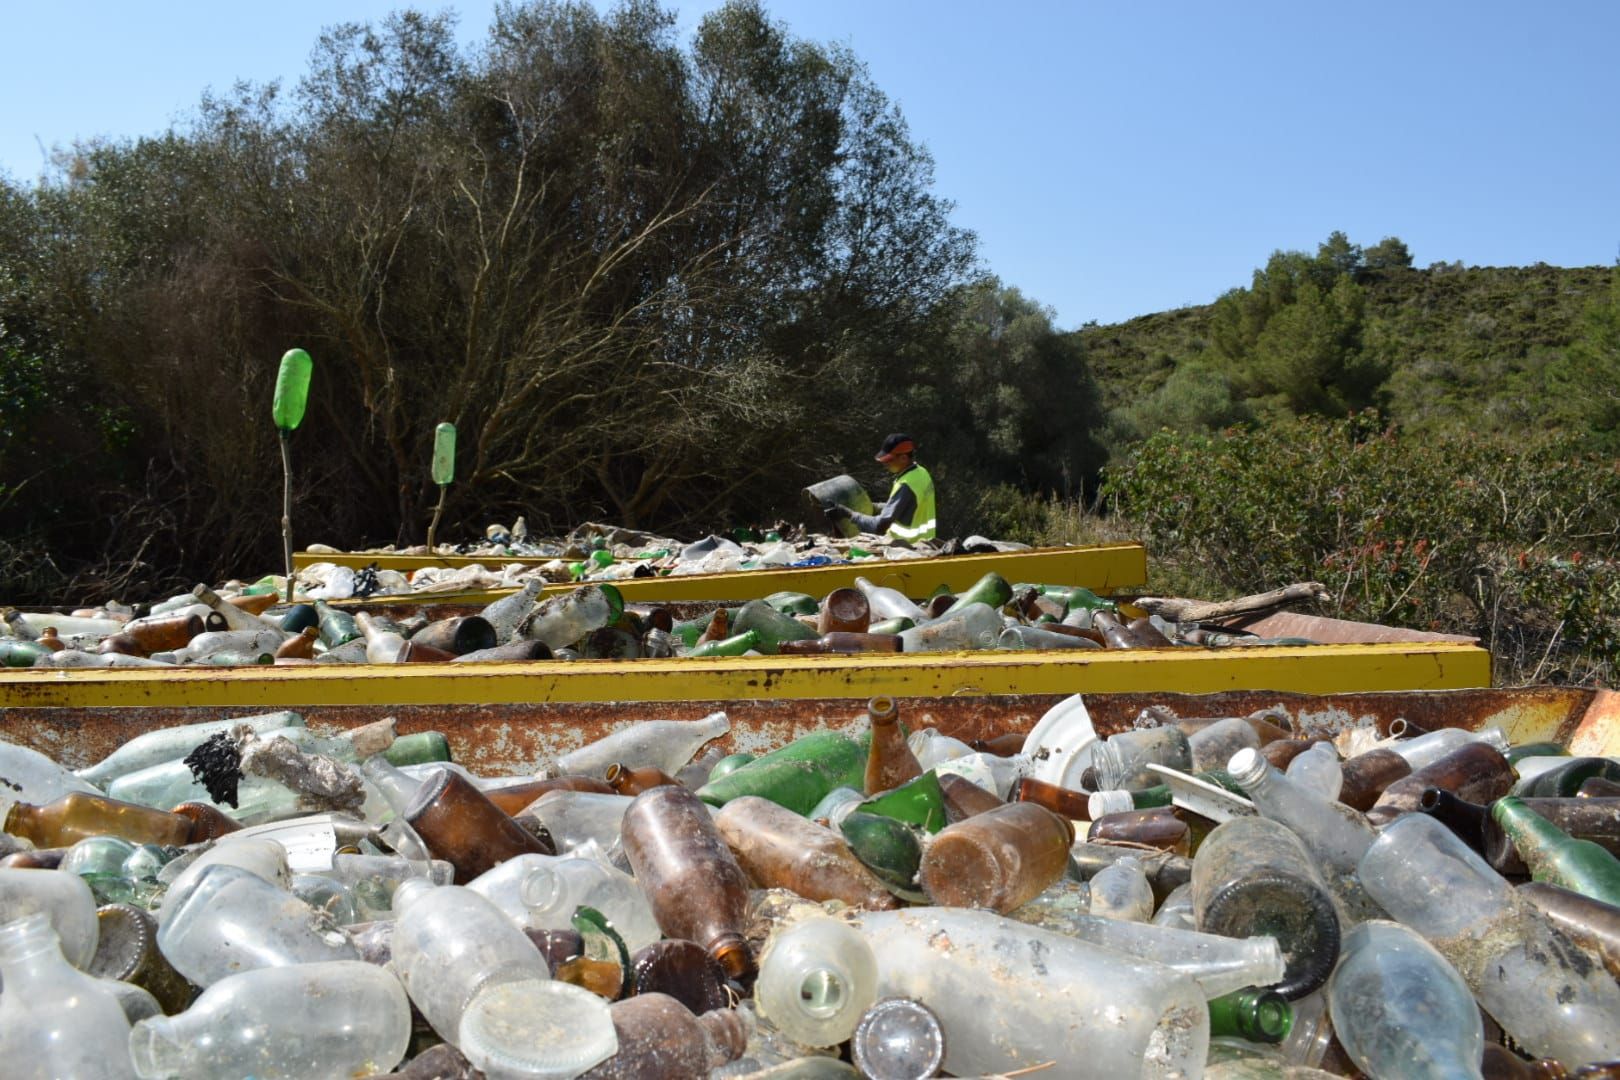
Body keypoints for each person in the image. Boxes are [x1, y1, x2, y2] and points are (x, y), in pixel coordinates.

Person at [824, 433, 937, 542]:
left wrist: (849, 514)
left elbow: (879, 526)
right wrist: (872, 505)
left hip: (907, 547)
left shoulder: (906, 485)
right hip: (925, 541)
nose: (885, 464)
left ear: (903, 458)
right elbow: (904, 508)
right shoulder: (921, 473)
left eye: (888, 460)